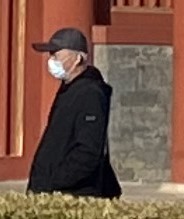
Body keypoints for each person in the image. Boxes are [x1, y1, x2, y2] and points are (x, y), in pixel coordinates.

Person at [24, 26, 119, 198]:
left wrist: (53, 183)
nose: (51, 60)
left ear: (77, 58)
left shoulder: (91, 93)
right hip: (52, 191)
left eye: (56, 55)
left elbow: (88, 151)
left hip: (73, 194)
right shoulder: (68, 90)